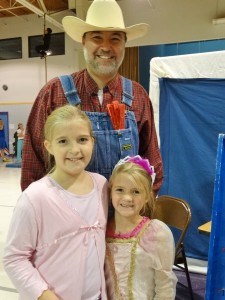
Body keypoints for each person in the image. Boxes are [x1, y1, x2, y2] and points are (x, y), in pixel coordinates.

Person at [21, 0, 163, 194]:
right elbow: (33, 163)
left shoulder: (138, 95)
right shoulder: (53, 93)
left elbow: (152, 165)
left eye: (115, 39)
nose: (106, 47)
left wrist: (137, 214)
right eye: (97, 37)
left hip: (122, 219)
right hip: (67, 218)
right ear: (83, 42)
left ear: (124, 44)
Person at [3, 105, 109, 300]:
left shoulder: (102, 186)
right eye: (63, 141)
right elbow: (14, 258)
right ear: (49, 146)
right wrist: (45, 296)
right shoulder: (35, 197)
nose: (74, 150)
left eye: (82, 140)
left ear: (92, 142)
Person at [105, 155, 177, 299]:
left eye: (136, 192)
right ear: (110, 192)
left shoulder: (157, 234)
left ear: (147, 197)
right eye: (120, 190)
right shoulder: (100, 230)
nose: (127, 198)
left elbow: (165, 287)